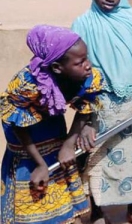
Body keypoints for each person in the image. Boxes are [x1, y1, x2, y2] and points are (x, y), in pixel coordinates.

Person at [71, 0, 132, 224]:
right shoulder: (83, 24)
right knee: (97, 158)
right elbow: (77, 72)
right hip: (99, 102)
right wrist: (85, 118)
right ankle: (97, 210)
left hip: (130, 102)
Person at [1, 25, 104, 224]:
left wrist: (68, 144)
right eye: (80, 62)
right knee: (35, 194)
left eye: (87, 58)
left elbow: (86, 106)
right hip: (25, 141)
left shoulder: (86, 77)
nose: (88, 65)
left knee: (62, 188)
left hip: (53, 130)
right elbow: (17, 124)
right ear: (57, 68)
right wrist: (39, 164)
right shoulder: (26, 84)